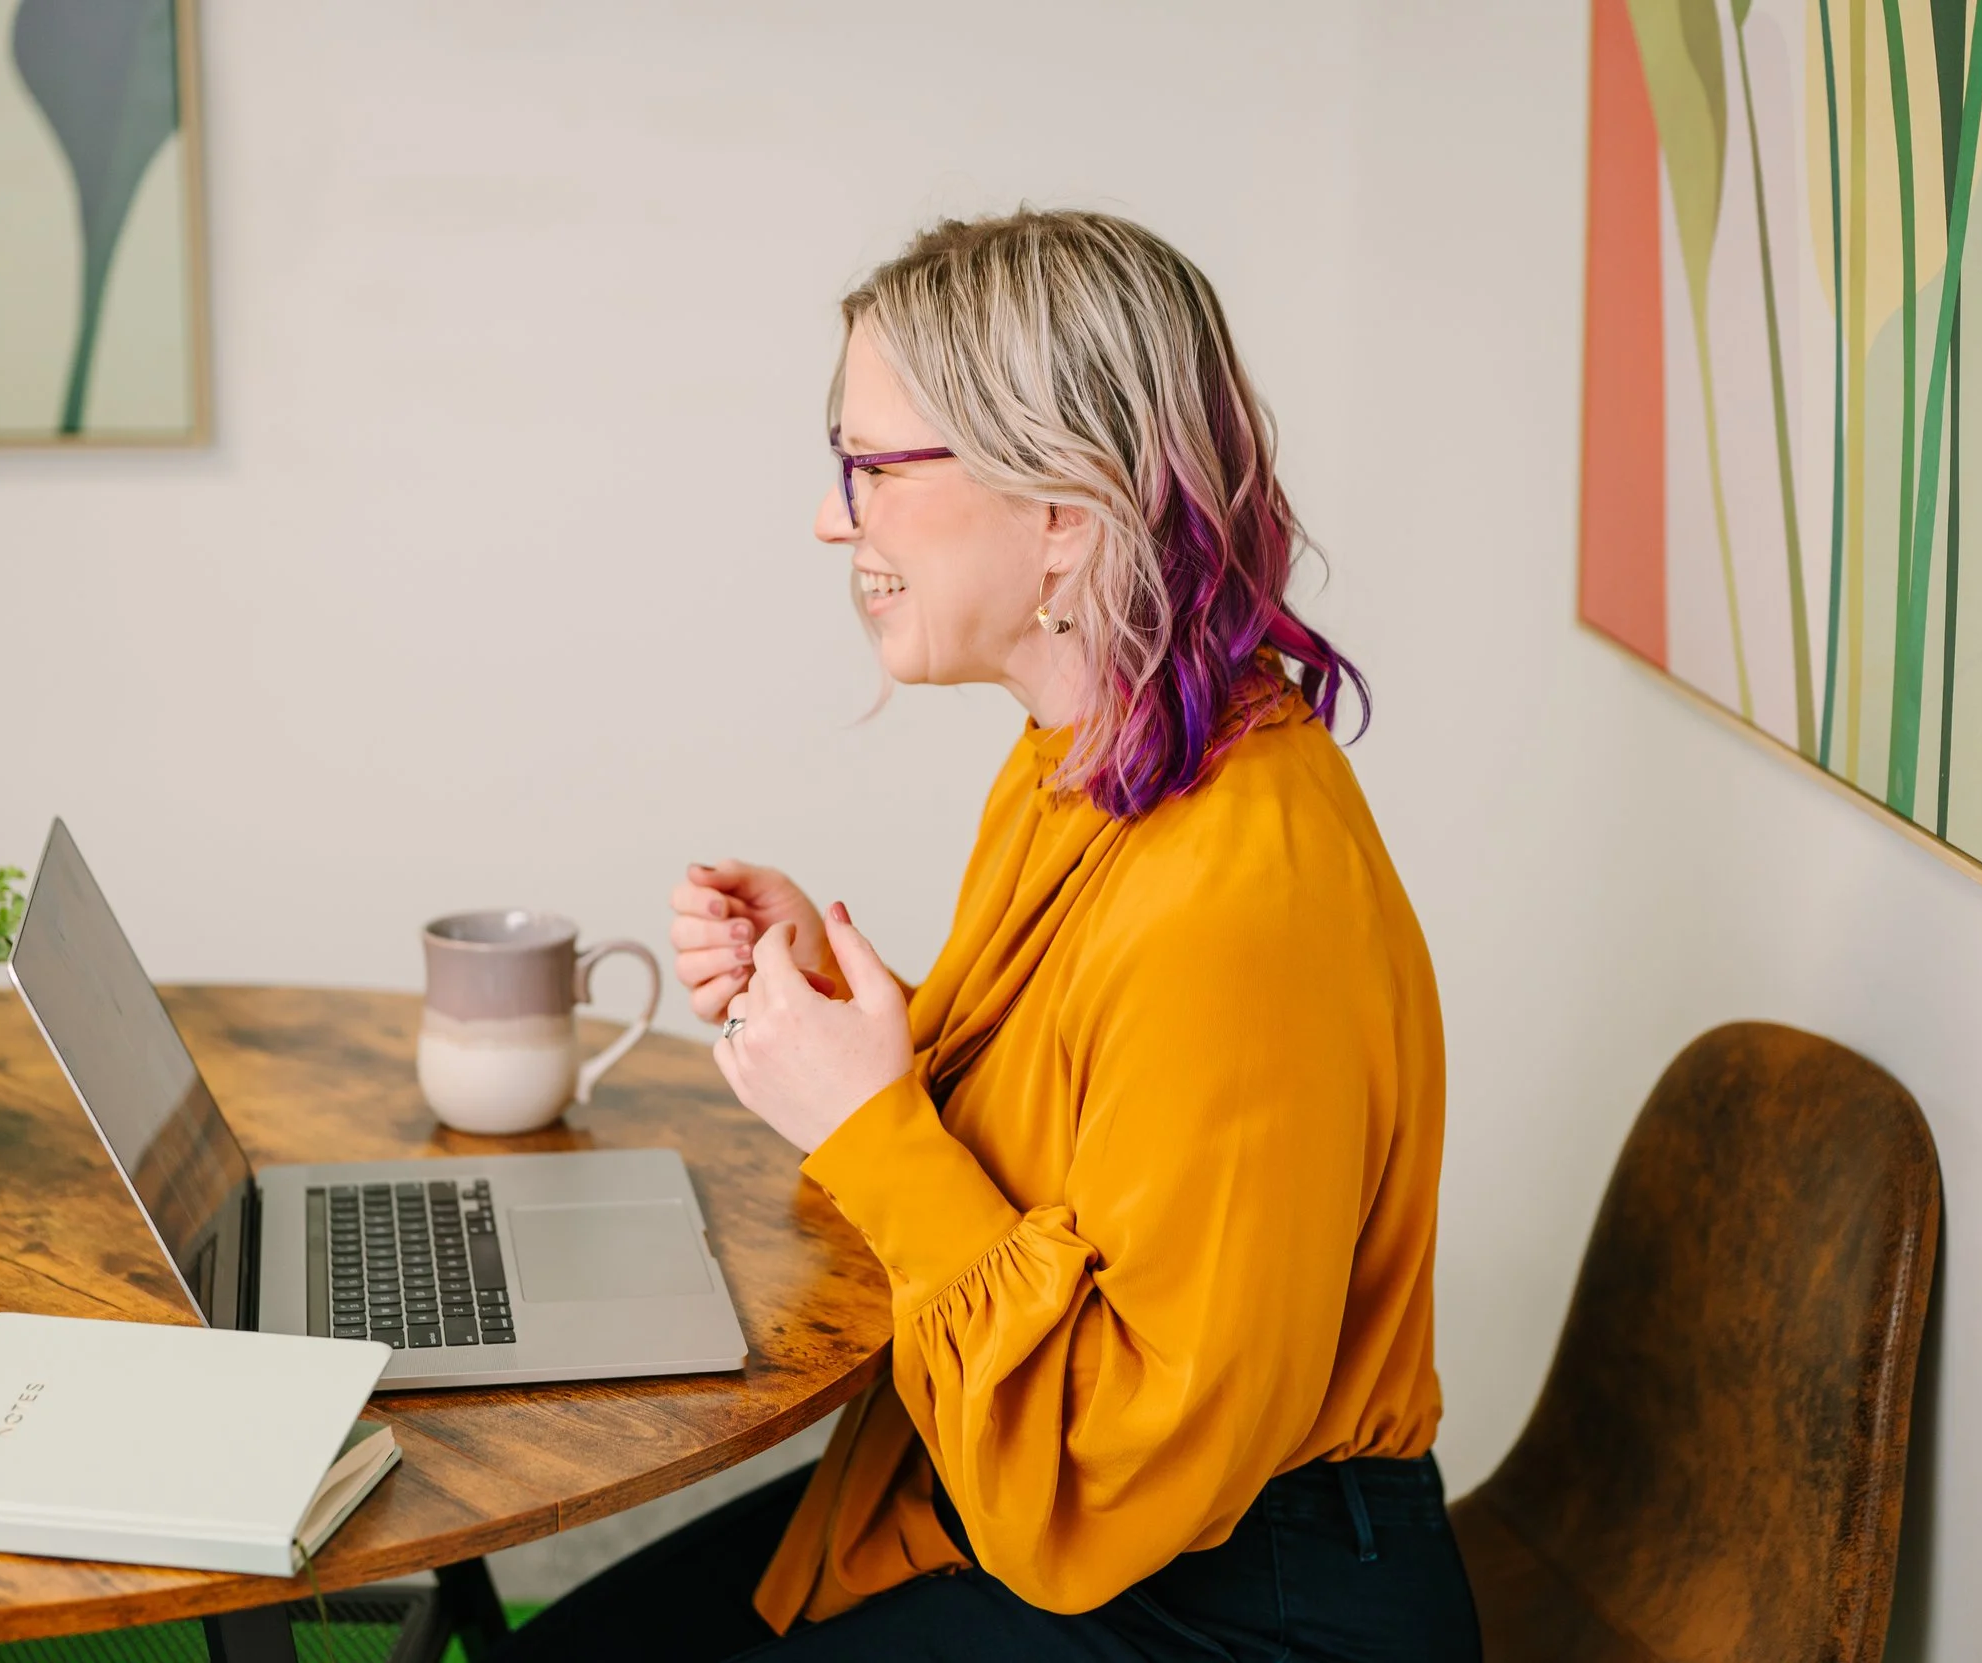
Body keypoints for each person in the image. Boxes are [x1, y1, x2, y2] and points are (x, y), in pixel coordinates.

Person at [509, 209, 1479, 1662]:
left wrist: (867, 1117)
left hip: (1227, 1593)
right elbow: (1083, 1136)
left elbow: (1105, 1471)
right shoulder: (1086, 757)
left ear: (1064, 513)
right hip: (1101, 1523)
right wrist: (852, 1008)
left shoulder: (1238, 895)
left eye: (874, 469)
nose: (835, 520)